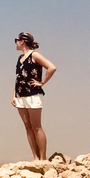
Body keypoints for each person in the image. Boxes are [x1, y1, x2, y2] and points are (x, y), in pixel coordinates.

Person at [12, 32, 56, 161]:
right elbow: (18, 78)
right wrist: (14, 95)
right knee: (28, 126)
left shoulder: (34, 55)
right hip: (20, 95)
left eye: (16, 40)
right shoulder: (20, 58)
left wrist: (42, 82)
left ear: (22, 41)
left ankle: (43, 158)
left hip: (32, 94)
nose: (15, 42)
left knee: (36, 126)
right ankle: (35, 158)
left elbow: (51, 67)